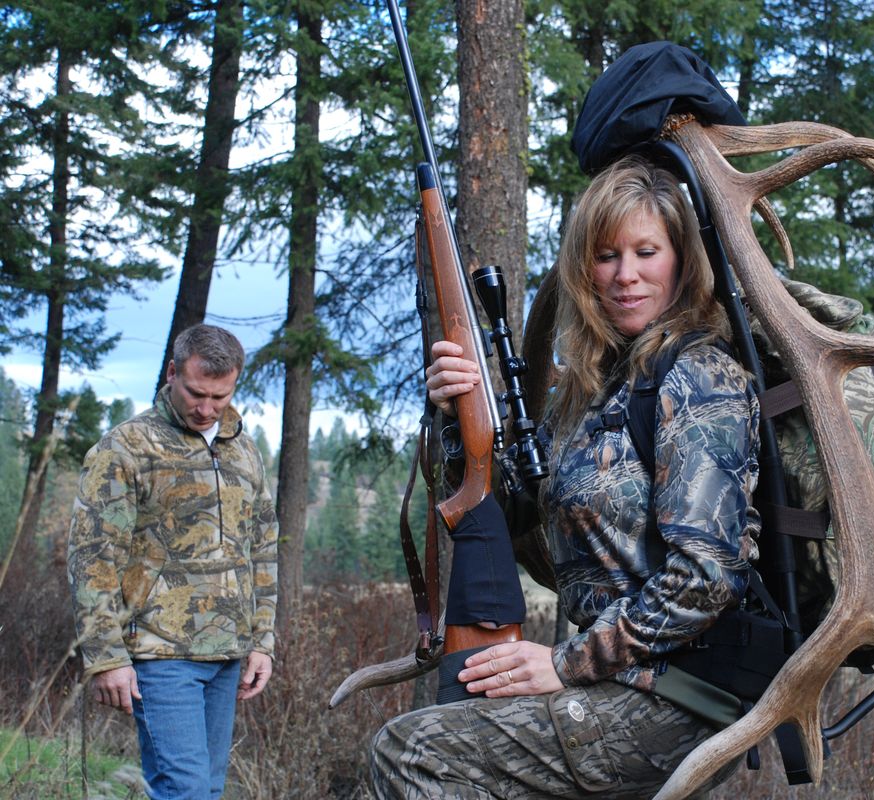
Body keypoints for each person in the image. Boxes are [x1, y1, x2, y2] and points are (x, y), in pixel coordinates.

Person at [370, 155, 762, 798]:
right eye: (606, 256)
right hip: (618, 681)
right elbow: (514, 511)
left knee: (413, 752)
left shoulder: (699, 379)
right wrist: (454, 418)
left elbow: (705, 578)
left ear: (683, 263)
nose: (626, 275)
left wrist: (564, 663)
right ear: (584, 270)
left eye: (646, 252)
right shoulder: (593, 388)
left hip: (679, 697)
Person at [67, 324, 278, 800]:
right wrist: (104, 656)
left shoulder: (243, 449)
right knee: (181, 790)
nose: (206, 408)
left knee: (207, 789)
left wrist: (262, 641)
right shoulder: (125, 448)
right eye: (196, 392)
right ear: (171, 374)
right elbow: (92, 556)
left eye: (220, 397)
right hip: (160, 654)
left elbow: (263, 547)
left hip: (229, 654)